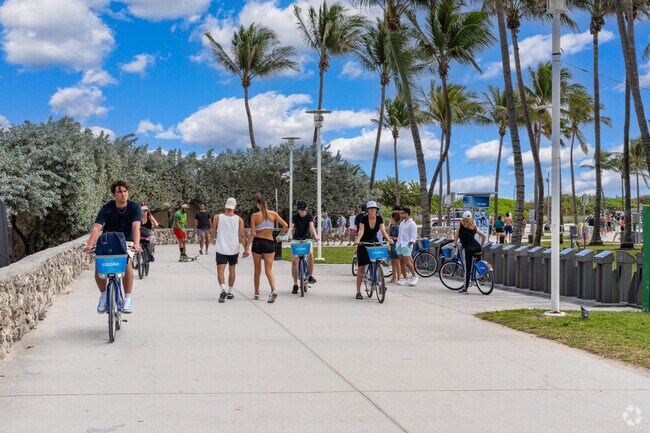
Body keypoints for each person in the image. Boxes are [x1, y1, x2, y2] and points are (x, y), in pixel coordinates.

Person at [83, 180, 142, 314]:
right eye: (119, 192)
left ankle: (127, 299)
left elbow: (136, 226)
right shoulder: (107, 208)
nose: (123, 194)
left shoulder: (134, 207)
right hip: (108, 240)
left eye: (125, 191)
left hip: (127, 241)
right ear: (113, 194)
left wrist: (137, 244)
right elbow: (97, 228)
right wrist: (90, 245)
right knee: (99, 265)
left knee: (127, 263)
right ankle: (103, 296)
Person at [244, 194, 288, 303]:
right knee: (269, 270)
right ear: (266, 203)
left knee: (257, 270)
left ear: (258, 205)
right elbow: (285, 225)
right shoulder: (273, 214)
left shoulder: (255, 216)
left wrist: (246, 248)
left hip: (258, 242)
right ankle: (273, 290)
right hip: (269, 242)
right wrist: (279, 236)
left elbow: (252, 233)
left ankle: (256, 293)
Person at [211, 198, 248, 303]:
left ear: (225, 206)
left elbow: (213, 230)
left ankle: (223, 289)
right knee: (232, 270)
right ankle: (230, 292)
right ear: (235, 207)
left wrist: (213, 238)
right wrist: (246, 249)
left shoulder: (217, 217)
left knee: (220, 270)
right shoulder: (239, 219)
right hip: (233, 249)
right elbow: (242, 235)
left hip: (221, 248)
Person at [354, 201, 393, 299]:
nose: (372, 210)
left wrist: (389, 239)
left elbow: (383, 231)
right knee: (361, 268)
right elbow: (361, 231)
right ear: (367, 210)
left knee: (378, 264)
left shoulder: (379, 218)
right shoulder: (363, 218)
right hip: (364, 243)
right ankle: (358, 291)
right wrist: (358, 240)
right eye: (370, 208)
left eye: (374, 208)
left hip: (374, 242)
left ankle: (380, 284)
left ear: (376, 210)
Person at [289, 201, 320, 294]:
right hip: (296, 239)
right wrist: (287, 235)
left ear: (306, 208)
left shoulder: (309, 216)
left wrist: (315, 235)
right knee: (294, 260)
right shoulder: (295, 216)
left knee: (310, 253)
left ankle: (310, 275)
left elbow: (311, 226)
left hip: (307, 238)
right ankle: (295, 284)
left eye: (302, 209)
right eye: (299, 209)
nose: (301, 211)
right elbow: (291, 227)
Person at [454, 211, 487, 294]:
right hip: (477, 247)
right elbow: (484, 236)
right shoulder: (473, 226)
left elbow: (457, 234)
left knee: (467, 268)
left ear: (463, 217)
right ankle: (481, 277)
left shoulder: (460, 224)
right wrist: (481, 246)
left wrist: (455, 243)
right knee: (478, 264)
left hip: (467, 249)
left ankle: (465, 288)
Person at [396, 207, 418, 286]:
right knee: (401, 262)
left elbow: (414, 236)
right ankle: (405, 278)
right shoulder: (402, 223)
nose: (401, 215)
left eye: (402, 213)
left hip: (406, 245)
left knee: (408, 262)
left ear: (407, 213)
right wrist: (397, 244)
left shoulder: (412, 224)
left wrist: (408, 245)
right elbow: (400, 234)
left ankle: (414, 276)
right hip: (399, 244)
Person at [388, 210, 402, 284]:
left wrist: (391, 237)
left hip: (396, 246)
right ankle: (393, 278)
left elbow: (399, 238)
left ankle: (399, 278)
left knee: (397, 262)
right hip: (392, 245)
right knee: (393, 262)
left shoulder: (397, 227)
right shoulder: (392, 226)